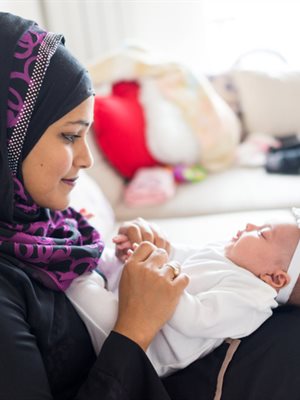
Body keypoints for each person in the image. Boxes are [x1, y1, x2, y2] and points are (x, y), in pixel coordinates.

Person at [2, 12, 300, 400]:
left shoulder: (42, 217)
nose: (88, 159)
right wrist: (136, 326)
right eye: (69, 136)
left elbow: (104, 266)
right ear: (12, 136)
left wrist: (139, 254)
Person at [66, 218, 300, 376]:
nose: (250, 225)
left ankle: (69, 267)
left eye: (261, 233)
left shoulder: (251, 300)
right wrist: (146, 248)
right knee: (103, 257)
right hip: (137, 295)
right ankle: (82, 250)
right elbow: (177, 253)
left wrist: (160, 280)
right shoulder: (228, 253)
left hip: (141, 344)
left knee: (79, 285)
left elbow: (196, 319)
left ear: (274, 278)